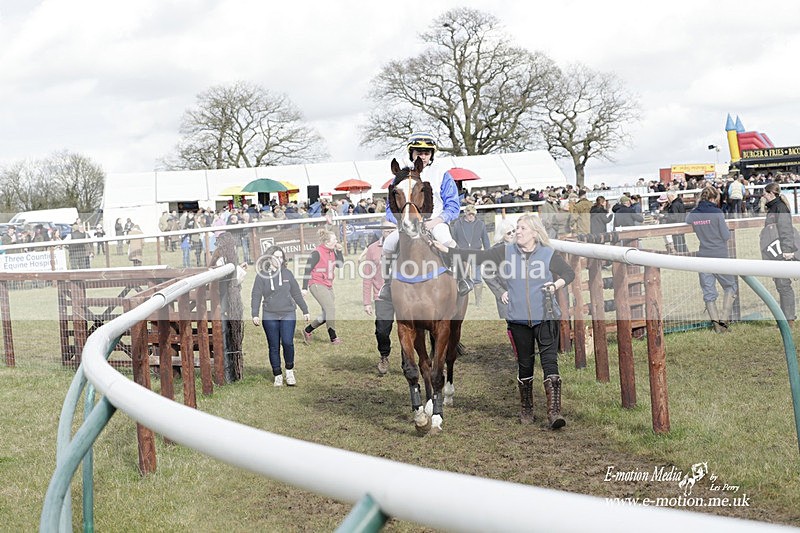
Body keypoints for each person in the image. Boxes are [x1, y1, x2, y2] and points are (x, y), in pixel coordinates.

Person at [435, 215, 575, 429]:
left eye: (522, 228)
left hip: (546, 316)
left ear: (534, 233)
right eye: (517, 228)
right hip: (518, 319)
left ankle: (554, 413)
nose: (518, 232)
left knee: (550, 363)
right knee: (525, 364)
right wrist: (447, 250)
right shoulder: (505, 252)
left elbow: (568, 272)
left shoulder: (548, 254)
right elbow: (477, 257)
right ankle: (526, 408)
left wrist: (556, 285)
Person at [382, 132, 472, 295]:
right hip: (407, 223)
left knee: (447, 241)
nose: (423, 156)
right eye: (419, 152)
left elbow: (453, 205)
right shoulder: (401, 176)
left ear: (432, 154)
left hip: (435, 222)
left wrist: (437, 221)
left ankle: (462, 279)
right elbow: (390, 206)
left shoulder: (442, 174)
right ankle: (387, 284)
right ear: (412, 154)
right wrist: (399, 221)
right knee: (388, 244)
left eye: (426, 153)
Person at [251, 246, 310, 387]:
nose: (279, 259)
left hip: (288, 312)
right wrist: (254, 314)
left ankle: (289, 371)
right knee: (274, 346)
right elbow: (256, 295)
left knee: (288, 342)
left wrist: (305, 310)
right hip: (269, 314)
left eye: (281, 257)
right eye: (276, 256)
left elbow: (296, 293)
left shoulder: (287, 274)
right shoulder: (261, 276)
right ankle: (277, 374)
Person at [685, 186, 737, 333]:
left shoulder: (694, 214)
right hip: (719, 255)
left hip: (703, 256)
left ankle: (716, 327)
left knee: (709, 293)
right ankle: (724, 322)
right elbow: (726, 236)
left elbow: (687, 219)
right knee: (730, 287)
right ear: (714, 198)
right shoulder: (717, 213)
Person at [361, 220, 396, 375]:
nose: (388, 231)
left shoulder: (402, 246)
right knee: (382, 330)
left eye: (391, 229)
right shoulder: (372, 249)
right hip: (382, 296)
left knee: (408, 330)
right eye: (385, 229)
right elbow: (367, 276)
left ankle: (406, 358)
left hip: (403, 295)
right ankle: (384, 355)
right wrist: (367, 302)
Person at [761, 182, 796, 323]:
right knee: (781, 285)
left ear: (771, 194)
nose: (763, 195)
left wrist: (787, 250)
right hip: (776, 251)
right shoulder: (774, 208)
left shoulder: (779, 208)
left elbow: (786, 230)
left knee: (784, 285)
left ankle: (789, 320)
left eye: (765, 193)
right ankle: (785, 319)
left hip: (782, 252)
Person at [302, 229, 345, 344]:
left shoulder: (332, 251)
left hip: (328, 284)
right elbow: (307, 270)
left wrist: (339, 251)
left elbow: (340, 265)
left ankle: (308, 330)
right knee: (330, 309)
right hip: (316, 283)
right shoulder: (316, 252)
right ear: (327, 242)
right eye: (334, 239)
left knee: (327, 314)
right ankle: (333, 337)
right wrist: (304, 288)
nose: (337, 241)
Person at [450, 204, 490, 305]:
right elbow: (454, 239)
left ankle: (478, 301)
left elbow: (485, 239)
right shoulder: (458, 224)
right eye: (469, 214)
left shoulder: (480, 224)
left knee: (477, 277)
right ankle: (463, 301)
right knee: (462, 277)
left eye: (473, 214)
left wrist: (488, 253)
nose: (471, 216)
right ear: (465, 213)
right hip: (462, 254)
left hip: (476, 253)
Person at [482, 219, 515, 319]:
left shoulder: (522, 247)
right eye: (509, 233)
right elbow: (487, 275)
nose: (512, 234)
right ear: (502, 235)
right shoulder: (495, 251)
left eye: (514, 231)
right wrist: (501, 292)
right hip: (507, 296)